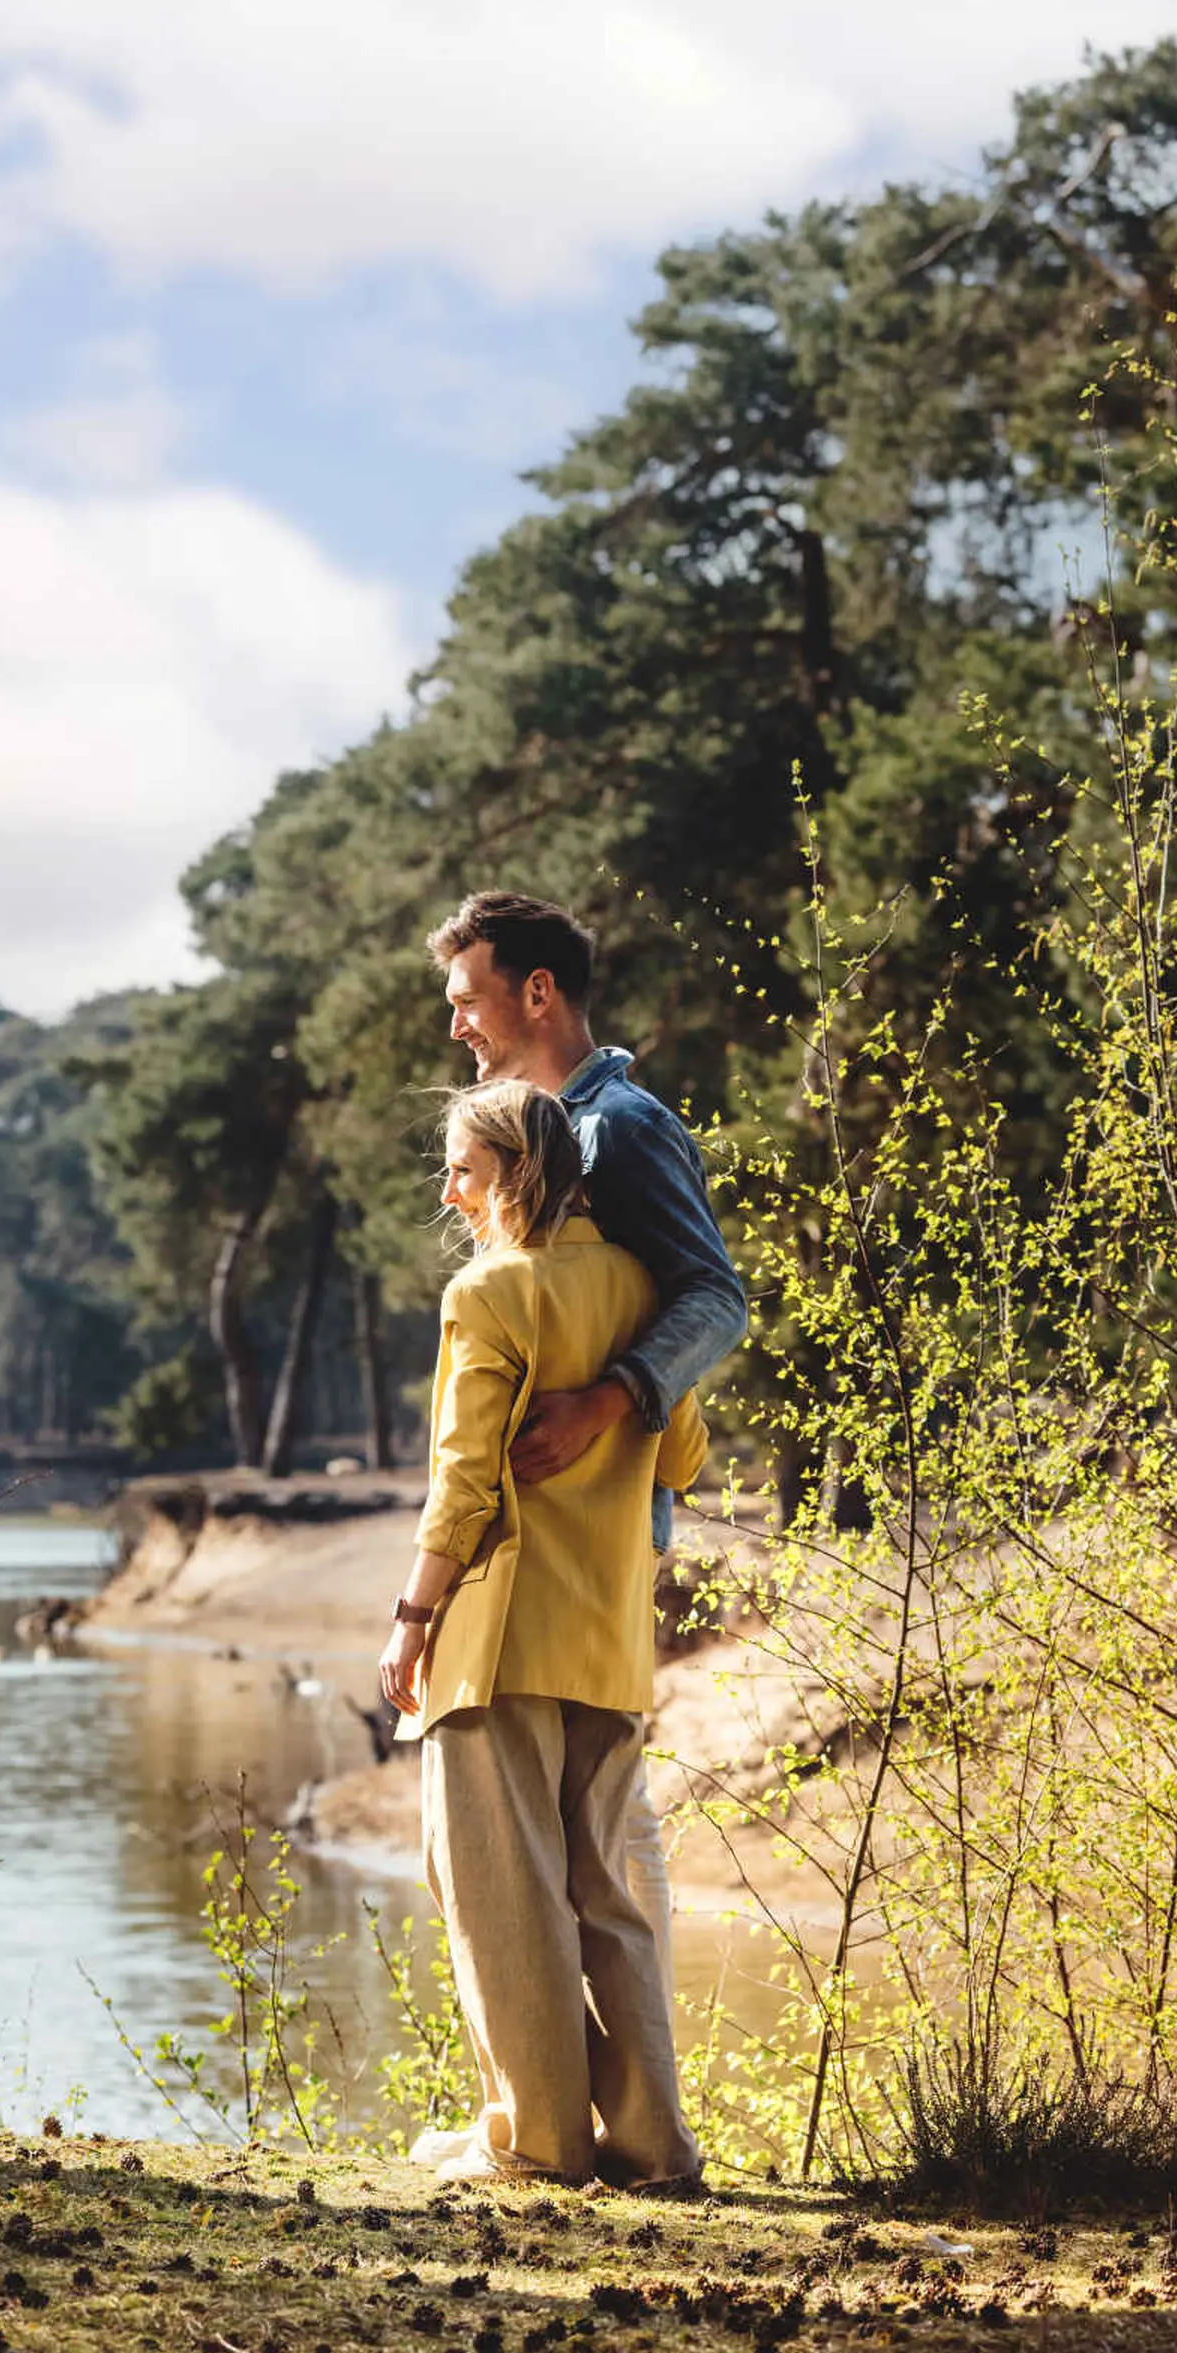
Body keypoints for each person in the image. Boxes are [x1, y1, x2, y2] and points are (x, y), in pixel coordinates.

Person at [379, 1081, 709, 2190]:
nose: (450, 1193)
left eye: (464, 1171)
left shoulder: (490, 1294)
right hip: (609, 1638)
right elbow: (682, 1457)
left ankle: (539, 2142)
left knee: (501, 1892)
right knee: (608, 1892)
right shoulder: (640, 1287)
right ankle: (653, 2143)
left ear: (515, 1174)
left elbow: (463, 1485)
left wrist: (413, 1618)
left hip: (500, 1639)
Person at [428, 893, 746, 1531]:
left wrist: (601, 1403)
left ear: (538, 992)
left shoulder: (625, 1126)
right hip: (531, 1522)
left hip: (599, 1527)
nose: (456, 1028)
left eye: (467, 1003)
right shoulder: (525, 1130)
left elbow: (717, 1300)